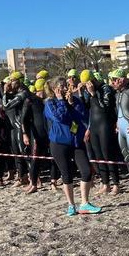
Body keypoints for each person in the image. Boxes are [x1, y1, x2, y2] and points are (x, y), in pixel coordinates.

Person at [44, 78, 101, 216]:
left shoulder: (73, 100)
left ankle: (84, 203)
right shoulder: (49, 103)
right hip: (59, 143)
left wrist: (72, 104)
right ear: (54, 89)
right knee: (67, 174)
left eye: (66, 85)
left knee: (86, 171)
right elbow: (60, 117)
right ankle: (71, 205)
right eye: (61, 86)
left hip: (76, 141)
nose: (65, 88)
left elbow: (83, 117)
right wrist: (62, 101)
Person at [81, 71, 120, 195]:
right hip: (94, 126)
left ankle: (116, 184)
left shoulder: (106, 88)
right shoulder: (88, 90)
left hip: (105, 125)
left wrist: (93, 93)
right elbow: (87, 107)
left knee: (107, 155)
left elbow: (105, 107)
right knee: (98, 156)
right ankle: (105, 183)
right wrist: (83, 93)